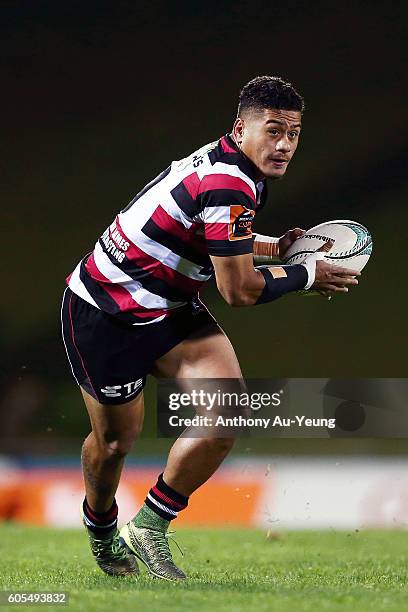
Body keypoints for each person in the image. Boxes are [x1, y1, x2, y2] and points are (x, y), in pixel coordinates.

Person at [60, 75, 359, 581]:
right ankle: (102, 527)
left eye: (294, 133)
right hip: (106, 313)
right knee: (114, 443)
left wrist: (275, 248)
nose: (285, 144)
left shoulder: (239, 170)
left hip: (170, 305)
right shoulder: (230, 182)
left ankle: (150, 527)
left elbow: (210, 231)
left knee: (228, 412)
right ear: (242, 128)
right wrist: (305, 273)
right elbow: (238, 290)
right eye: (274, 130)